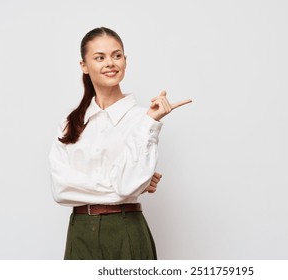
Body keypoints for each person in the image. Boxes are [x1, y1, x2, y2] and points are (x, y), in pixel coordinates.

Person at [48, 27, 191, 260]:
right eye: (99, 57)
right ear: (84, 65)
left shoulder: (143, 120)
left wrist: (128, 184)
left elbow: (127, 187)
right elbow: (60, 189)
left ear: (125, 61)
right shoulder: (70, 124)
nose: (110, 63)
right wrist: (125, 183)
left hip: (127, 229)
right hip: (80, 231)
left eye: (117, 55)